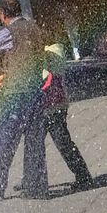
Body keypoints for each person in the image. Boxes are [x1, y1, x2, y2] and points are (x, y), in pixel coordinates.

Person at [0, 0, 48, 200]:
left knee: (4, 141)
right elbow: (27, 56)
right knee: (34, 142)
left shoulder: (10, 31)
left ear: (3, 15)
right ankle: (36, 188)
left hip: (16, 93)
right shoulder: (34, 28)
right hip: (35, 90)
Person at [40, 43, 93, 190]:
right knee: (35, 144)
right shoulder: (44, 50)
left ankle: (83, 176)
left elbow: (49, 77)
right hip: (46, 106)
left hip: (54, 106)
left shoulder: (55, 49)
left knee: (63, 143)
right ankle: (31, 179)